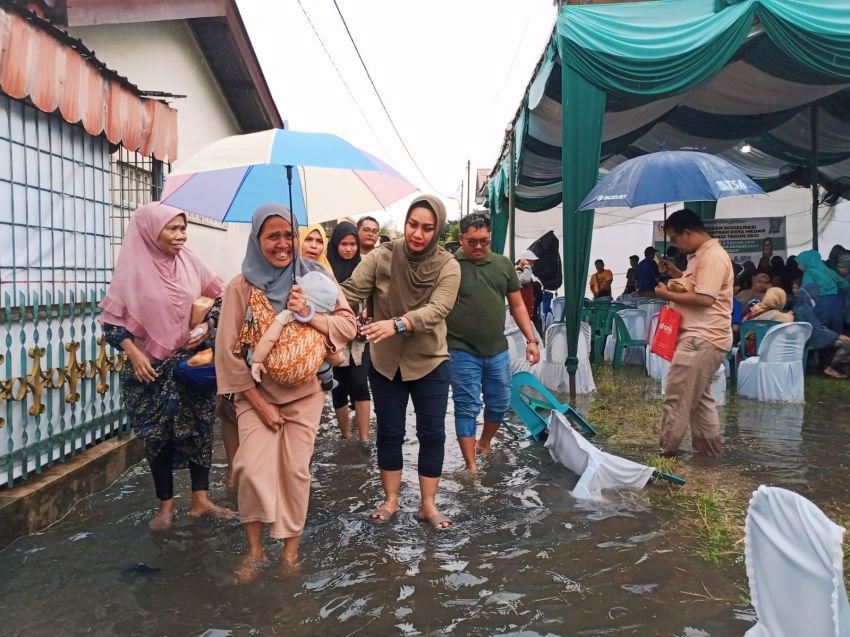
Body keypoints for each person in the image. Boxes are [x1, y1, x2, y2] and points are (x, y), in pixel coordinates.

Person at [215, 204, 356, 579]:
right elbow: (228, 355)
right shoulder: (240, 286)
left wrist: (311, 312)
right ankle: (255, 549)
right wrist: (260, 405)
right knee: (249, 469)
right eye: (272, 236)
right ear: (257, 239)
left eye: (288, 235)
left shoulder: (318, 277)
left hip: (306, 391)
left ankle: (290, 550)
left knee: (295, 471)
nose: (282, 244)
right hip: (254, 394)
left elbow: (348, 326)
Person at [99, 202, 234, 530]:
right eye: (172, 229)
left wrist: (207, 326)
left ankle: (200, 501)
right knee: (158, 437)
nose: (180, 236)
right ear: (150, 231)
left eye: (183, 228)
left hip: (189, 366)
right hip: (149, 371)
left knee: (200, 430)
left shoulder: (190, 262)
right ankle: (165, 507)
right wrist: (133, 351)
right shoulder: (132, 269)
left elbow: (220, 296)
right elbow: (112, 323)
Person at [341, 195, 461, 530]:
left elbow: (437, 309)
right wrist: (315, 295)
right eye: (412, 225)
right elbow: (351, 291)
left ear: (437, 230)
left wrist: (396, 323)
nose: (417, 234)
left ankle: (428, 504)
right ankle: (391, 499)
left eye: (427, 228)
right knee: (390, 433)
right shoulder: (382, 256)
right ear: (405, 223)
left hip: (430, 361)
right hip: (386, 363)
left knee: (432, 433)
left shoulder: (448, 265)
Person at [446, 213, 541, 473]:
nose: (478, 247)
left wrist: (531, 340)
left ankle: (484, 443)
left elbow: (517, 305)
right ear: (461, 239)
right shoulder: (450, 266)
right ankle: (471, 465)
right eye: (472, 241)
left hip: (497, 349)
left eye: (484, 241)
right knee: (466, 405)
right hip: (461, 349)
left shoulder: (503, 265)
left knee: (499, 402)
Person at [654, 209, 732, 458]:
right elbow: (699, 285)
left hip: (701, 337)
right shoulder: (700, 257)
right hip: (706, 337)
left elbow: (705, 297)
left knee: (676, 397)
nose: (676, 244)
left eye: (675, 238)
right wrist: (677, 273)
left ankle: (666, 454)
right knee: (699, 401)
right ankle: (709, 454)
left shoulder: (712, 257)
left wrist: (667, 294)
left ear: (687, 232)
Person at [249, 270, 343, 390]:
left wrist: (257, 360)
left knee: (256, 343)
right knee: (320, 353)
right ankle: (327, 380)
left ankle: (253, 370)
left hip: (278, 369)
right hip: (308, 371)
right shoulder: (321, 322)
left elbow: (269, 338)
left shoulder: (287, 315)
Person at [327, 221, 372, 442]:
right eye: (343, 244)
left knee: (360, 383)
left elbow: (372, 295)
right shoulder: (325, 270)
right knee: (339, 386)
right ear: (335, 244)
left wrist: (367, 312)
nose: (348, 249)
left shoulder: (364, 267)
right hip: (334, 337)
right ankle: (346, 436)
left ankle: (364, 438)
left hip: (360, 338)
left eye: (353, 244)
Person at [794, 284, 850, 379]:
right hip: (812, 338)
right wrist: (837, 336)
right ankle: (833, 368)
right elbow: (816, 329)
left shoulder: (805, 308)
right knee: (847, 343)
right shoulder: (804, 310)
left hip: (815, 336)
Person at [796, 249, 848, 334]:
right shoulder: (828, 270)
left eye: (800, 263)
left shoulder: (809, 274)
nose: (798, 266)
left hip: (821, 304)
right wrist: (835, 292)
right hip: (836, 304)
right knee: (836, 333)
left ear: (807, 261)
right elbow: (845, 284)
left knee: (824, 334)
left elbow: (805, 293)